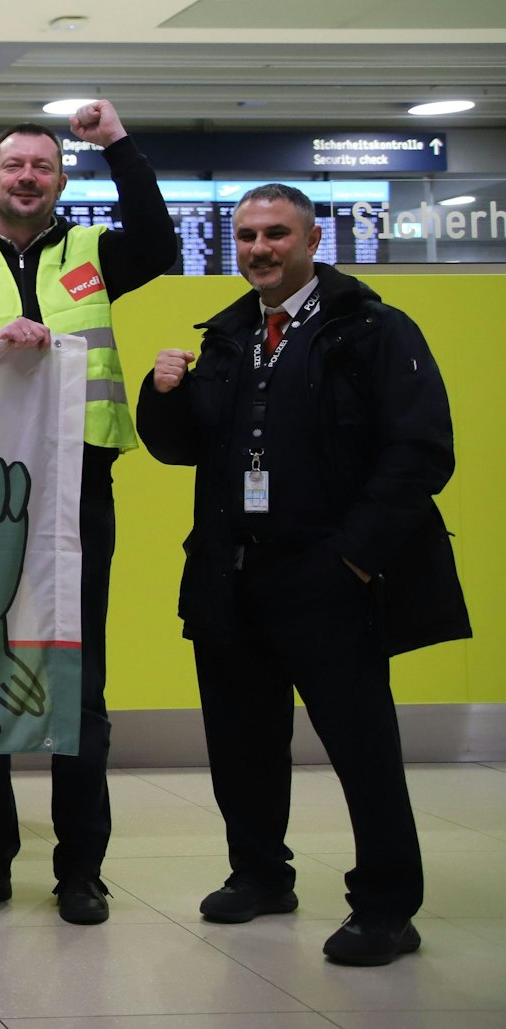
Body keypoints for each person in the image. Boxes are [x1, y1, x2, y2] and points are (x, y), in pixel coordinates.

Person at [136, 183, 467, 966]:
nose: (260, 249)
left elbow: (421, 452)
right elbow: (183, 448)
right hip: (231, 576)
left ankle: (387, 905)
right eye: (247, 235)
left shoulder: (374, 329)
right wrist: (164, 397)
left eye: (276, 234)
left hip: (330, 578)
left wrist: (353, 556)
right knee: (241, 741)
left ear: (314, 239)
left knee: (363, 748)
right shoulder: (226, 336)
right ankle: (259, 873)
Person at [0, 100, 180, 924]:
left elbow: (160, 244)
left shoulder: (94, 251)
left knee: (77, 679)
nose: (28, 177)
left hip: (79, 487)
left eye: (44, 166)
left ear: (61, 179)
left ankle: (80, 870)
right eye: (15, 166)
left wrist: (120, 144)